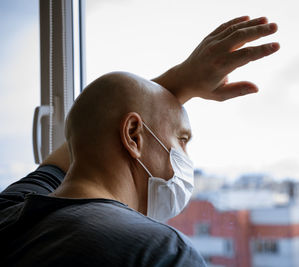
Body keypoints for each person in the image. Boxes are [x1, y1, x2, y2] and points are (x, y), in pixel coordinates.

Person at [0, 16, 279, 266]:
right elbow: (90, 131)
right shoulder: (161, 252)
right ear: (134, 136)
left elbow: (88, 132)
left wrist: (180, 81)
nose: (187, 159)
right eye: (182, 140)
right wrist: (178, 83)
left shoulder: (10, 214)